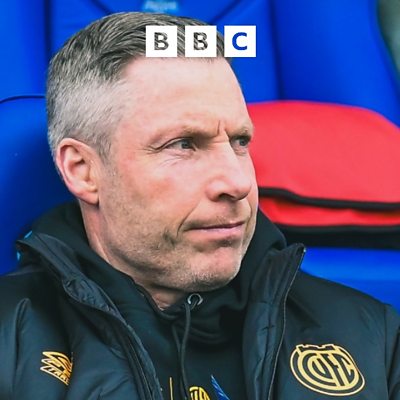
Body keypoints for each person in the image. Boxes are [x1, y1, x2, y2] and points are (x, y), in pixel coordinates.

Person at [0, 11, 399, 400]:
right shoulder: (9, 346)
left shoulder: (376, 340)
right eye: (183, 144)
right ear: (83, 170)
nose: (238, 183)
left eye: (240, 142)